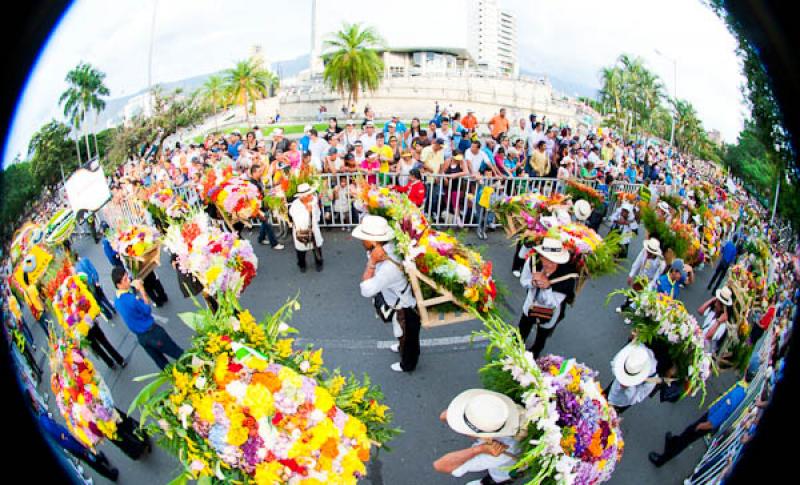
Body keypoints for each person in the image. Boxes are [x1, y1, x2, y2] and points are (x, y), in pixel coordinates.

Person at [352, 216, 419, 372]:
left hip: (406, 307)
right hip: (399, 301)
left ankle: (407, 365)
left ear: (373, 241)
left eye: (364, 238)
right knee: (403, 333)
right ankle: (402, 344)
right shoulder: (385, 248)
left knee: (410, 339)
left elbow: (366, 290)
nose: (362, 241)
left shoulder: (387, 266)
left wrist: (372, 263)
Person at [649, 379, 750, 467]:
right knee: (687, 433)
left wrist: (705, 425)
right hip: (710, 416)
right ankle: (674, 442)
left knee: (687, 437)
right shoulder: (742, 388)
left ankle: (662, 459)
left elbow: (721, 413)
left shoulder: (738, 393)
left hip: (709, 420)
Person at [433, 389, 523, 485]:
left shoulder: (498, 452)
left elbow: (440, 465)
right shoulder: (501, 410)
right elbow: (444, 416)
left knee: (499, 478)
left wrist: (478, 449)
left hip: (504, 471)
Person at [112, 267, 184, 370]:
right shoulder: (132, 300)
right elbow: (147, 309)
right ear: (119, 284)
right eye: (125, 279)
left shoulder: (117, 300)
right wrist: (141, 289)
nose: (129, 280)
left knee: (163, 365)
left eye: (127, 276)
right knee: (177, 352)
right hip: (153, 333)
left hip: (142, 338)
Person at [517, 238, 578, 357]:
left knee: (541, 336)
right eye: (546, 259)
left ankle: (534, 353)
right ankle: (516, 346)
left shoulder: (567, 276)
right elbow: (523, 281)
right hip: (530, 305)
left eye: (554, 260)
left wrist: (547, 287)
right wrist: (533, 282)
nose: (549, 264)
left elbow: (553, 303)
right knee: (522, 330)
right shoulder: (532, 261)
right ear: (541, 256)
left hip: (550, 313)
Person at [35, 401, 120, 482]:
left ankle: (99, 458)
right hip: (70, 443)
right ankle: (110, 474)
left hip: (69, 441)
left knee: (87, 453)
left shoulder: (41, 419)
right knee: (88, 458)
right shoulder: (43, 420)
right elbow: (60, 435)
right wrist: (78, 446)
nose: (35, 400)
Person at [605, 342, 658, 414]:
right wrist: (620, 376)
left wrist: (629, 387)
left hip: (623, 402)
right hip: (613, 388)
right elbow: (615, 363)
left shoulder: (652, 377)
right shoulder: (633, 349)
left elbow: (638, 397)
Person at [617, 239, 666, 313]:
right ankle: (625, 306)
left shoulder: (660, 262)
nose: (648, 254)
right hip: (641, 276)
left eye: (650, 253)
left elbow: (656, 277)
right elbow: (638, 262)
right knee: (632, 293)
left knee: (642, 300)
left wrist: (650, 287)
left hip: (650, 282)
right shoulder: (644, 251)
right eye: (648, 252)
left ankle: (633, 314)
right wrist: (631, 275)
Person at [289, 183, 324, 273]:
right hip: (301, 231)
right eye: (309, 195)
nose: (311, 196)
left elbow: (317, 215)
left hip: (313, 228)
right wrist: (307, 212)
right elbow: (297, 220)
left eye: (311, 194)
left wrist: (312, 212)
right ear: (302, 197)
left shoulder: (314, 201)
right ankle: (302, 264)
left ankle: (319, 262)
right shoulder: (295, 205)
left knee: (316, 247)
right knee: (301, 249)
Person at [75, 254, 116, 320]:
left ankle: (108, 315)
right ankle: (112, 308)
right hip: (94, 283)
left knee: (98, 302)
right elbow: (93, 269)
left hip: (89, 287)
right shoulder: (85, 260)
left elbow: (83, 281)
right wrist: (96, 280)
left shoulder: (77, 270)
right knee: (103, 297)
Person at [698, 287, 733, 354]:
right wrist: (712, 300)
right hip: (699, 339)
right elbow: (700, 311)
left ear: (723, 308)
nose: (715, 304)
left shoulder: (723, 325)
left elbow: (708, 336)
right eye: (716, 301)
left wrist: (719, 321)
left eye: (718, 303)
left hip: (705, 349)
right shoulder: (713, 311)